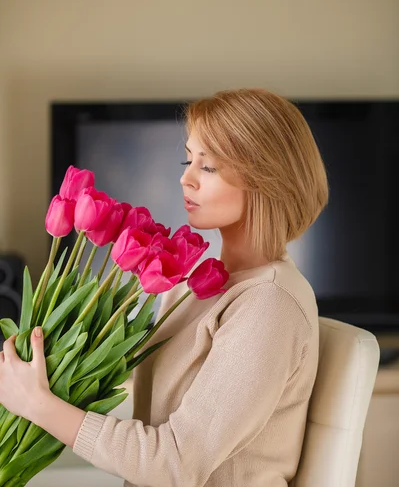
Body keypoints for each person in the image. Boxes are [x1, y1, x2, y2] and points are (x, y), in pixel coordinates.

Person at [0, 88, 329, 486]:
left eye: (206, 168)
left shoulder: (270, 303)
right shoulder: (197, 284)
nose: (185, 177)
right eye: (188, 160)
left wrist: (38, 404)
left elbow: (174, 464)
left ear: (266, 179)